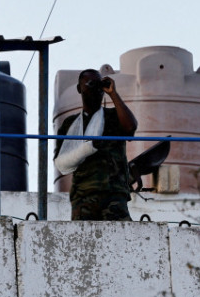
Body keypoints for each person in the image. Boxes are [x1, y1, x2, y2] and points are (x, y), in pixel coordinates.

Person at [53, 69, 139, 221]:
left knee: (122, 241)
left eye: (99, 85)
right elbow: (61, 163)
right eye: (90, 84)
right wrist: (88, 148)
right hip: (84, 195)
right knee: (84, 243)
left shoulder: (113, 116)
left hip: (114, 193)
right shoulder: (70, 124)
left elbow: (130, 127)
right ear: (80, 89)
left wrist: (113, 94)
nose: (96, 89)